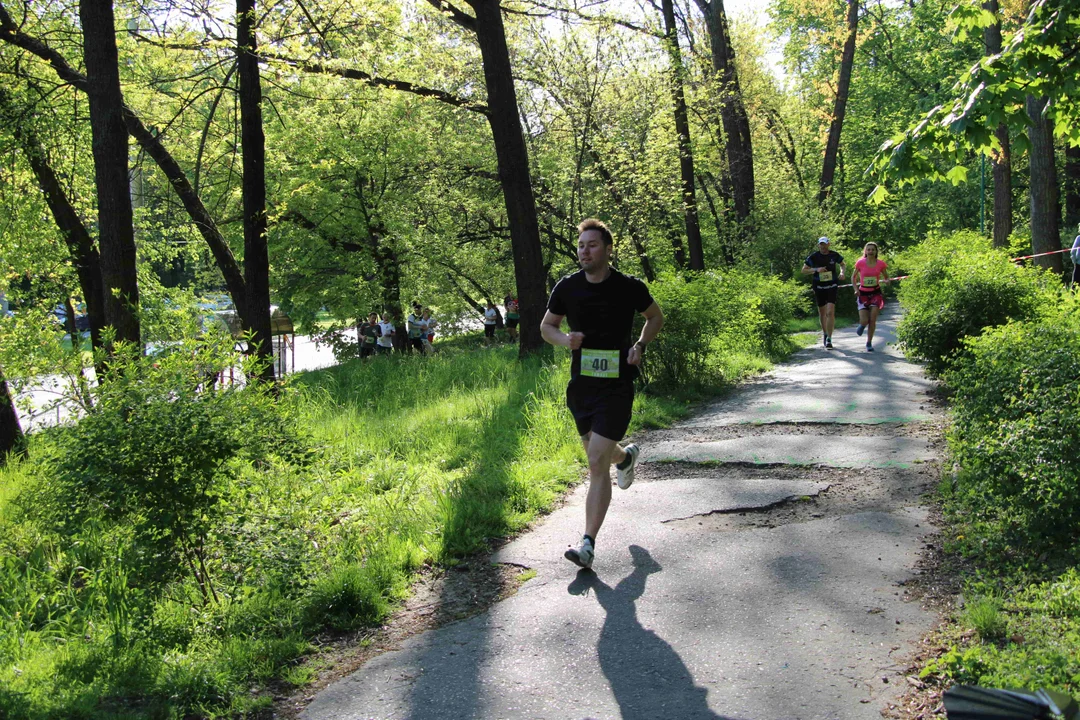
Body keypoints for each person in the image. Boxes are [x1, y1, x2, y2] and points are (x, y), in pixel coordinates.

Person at [541, 218, 664, 570]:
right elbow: (546, 326)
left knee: (595, 461)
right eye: (581, 245)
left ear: (608, 250)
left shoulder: (629, 286)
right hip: (582, 386)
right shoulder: (567, 287)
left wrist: (640, 344)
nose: (584, 251)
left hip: (617, 384)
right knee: (602, 455)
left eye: (592, 245)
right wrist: (566, 340)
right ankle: (625, 459)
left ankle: (588, 544)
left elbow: (654, 317)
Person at [802, 236, 845, 349]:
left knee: (830, 312)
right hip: (819, 287)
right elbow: (804, 270)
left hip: (832, 285)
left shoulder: (834, 255)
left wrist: (842, 272)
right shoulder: (814, 257)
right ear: (818, 245)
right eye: (821, 244)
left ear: (828, 244)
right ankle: (825, 333)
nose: (823, 246)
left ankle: (830, 339)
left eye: (825, 244)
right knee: (822, 313)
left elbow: (842, 264)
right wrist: (816, 270)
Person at [851, 242, 889, 352]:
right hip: (863, 293)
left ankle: (869, 342)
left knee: (872, 320)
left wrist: (887, 281)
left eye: (873, 249)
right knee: (864, 320)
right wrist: (855, 289)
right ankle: (862, 325)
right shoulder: (860, 263)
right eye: (869, 249)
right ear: (865, 251)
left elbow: (886, 277)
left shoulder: (881, 264)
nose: (871, 251)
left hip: (876, 293)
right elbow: (853, 278)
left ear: (876, 251)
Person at [1071, 223, 1080, 290]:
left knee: (1075, 282)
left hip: (1078, 263)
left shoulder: (1079, 238)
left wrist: (1074, 261)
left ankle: (1073, 296)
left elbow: (1073, 251)